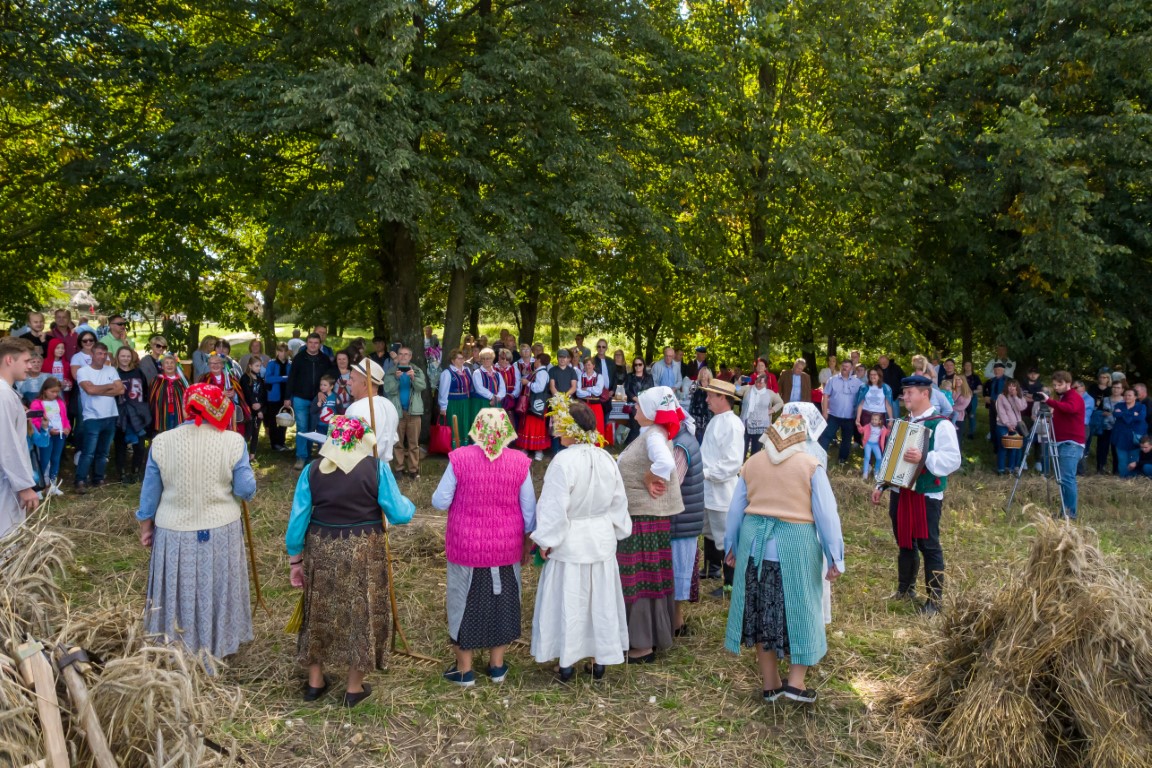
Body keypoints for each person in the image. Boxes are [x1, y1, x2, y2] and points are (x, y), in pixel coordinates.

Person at [286, 415, 415, 706]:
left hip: (322, 548)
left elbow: (297, 521)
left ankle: (315, 683)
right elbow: (400, 514)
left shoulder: (312, 471)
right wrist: (408, 503)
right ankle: (353, 688)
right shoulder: (376, 469)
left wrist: (295, 559)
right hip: (363, 549)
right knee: (362, 612)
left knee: (318, 608)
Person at [724, 411, 844, 704]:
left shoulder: (752, 464)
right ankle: (796, 682)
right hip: (797, 547)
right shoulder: (811, 465)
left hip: (755, 546)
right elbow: (827, 515)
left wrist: (731, 546)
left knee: (761, 611)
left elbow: (735, 510)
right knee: (801, 608)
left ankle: (770, 684)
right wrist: (835, 556)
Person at [136, 384, 257, 671]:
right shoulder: (233, 441)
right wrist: (247, 485)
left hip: (174, 531)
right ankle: (217, 645)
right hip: (220, 529)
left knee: (179, 589)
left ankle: (177, 647)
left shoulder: (162, 441)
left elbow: (149, 493)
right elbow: (245, 488)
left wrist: (145, 526)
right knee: (216, 586)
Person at [432, 410, 536, 687]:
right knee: (502, 602)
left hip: (467, 545)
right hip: (505, 545)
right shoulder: (519, 462)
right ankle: (497, 666)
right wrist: (528, 542)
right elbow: (529, 512)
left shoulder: (460, 458)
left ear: (476, 428)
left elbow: (440, 501)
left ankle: (464, 670)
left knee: (462, 602)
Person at [532, 400, 631, 682]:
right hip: (599, 539)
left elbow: (553, 506)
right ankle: (598, 660)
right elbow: (618, 502)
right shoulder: (606, 458)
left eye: (560, 424)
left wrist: (546, 538)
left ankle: (567, 663)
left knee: (571, 600)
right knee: (598, 600)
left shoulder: (563, 462)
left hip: (571, 540)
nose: (555, 429)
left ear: (571, 429)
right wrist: (613, 529)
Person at [870, 375, 961, 617]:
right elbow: (892, 457)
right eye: (904, 392)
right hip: (901, 492)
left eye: (910, 392)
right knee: (904, 542)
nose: (905, 397)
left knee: (929, 545)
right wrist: (881, 485)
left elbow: (953, 459)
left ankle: (934, 601)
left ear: (925, 393)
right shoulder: (902, 423)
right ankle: (905, 588)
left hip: (925, 495)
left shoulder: (941, 424)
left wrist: (924, 458)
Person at [615, 386, 685, 663]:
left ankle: (642, 644)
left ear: (652, 412)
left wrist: (648, 476)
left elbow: (666, 462)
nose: (634, 409)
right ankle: (649, 636)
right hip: (646, 518)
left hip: (643, 519)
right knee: (649, 574)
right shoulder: (652, 434)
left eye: (639, 406)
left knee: (639, 576)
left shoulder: (654, 436)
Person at [699, 378, 746, 598]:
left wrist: (706, 473)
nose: (706, 399)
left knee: (725, 535)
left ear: (722, 398)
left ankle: (731, 583)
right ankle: (712, 570)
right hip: (708, 489)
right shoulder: (716, 420)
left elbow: (732, 462)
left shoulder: (733, 424)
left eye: (710, 395)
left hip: (722, 491)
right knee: (709, 529)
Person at [669, 416, 704, 636]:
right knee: (676, 572)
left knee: (675, 573)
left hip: (681, 520)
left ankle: (674, 623)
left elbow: (671, 482)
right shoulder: (684, 438)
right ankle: (676, 621)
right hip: (685, 517)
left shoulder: (681, 444)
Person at [1032, 371, 1085, 518]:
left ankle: (1070, 514)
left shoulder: (1074, 397)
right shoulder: (1062, 397)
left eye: (1059, 384)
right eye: (1054, 385)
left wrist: (1049, 400)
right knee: (1062, 478)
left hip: (1071, 443)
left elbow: (1070, 408)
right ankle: (1065, 512)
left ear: (1068, 383)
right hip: (1061, 441)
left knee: (1067, 478)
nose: (1057, 387)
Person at [1, 337, 39, 535]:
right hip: (5, 480)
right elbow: (5, 444)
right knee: (6, 533)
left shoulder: (8, 392)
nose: (30, 366)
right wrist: (24, 486)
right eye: (25, 361)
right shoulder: (3, 394)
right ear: (9, 360)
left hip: (8, 478)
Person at [75, 342, 124, 494]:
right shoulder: (83, 371)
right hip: (92, 417)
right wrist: (109, 386)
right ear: (92, 354)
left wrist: (99, 389)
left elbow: (120, 389)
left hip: (110, 415)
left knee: (104, 452)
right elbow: (89, 390)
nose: (102, 357)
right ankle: (80, 480)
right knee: (88, 451)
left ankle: (98, 478)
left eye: (104, 354)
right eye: (99, 354)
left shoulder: (111, 369)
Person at [287, 333, 333, 469]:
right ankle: (301, 457)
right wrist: (287, 397)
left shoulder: (324, 359)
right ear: (306, 343)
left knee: (313, 428)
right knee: (302, 427)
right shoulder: (299, 358)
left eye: (316, 343)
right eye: (310, 342)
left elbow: (329, 378)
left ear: (319, 344)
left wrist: (323, 392)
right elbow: (291, 378)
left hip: (318, 399)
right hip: (300, 397)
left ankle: (310, 455)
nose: (313, 345)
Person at [382, 347, 427, 480]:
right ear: (397, 356)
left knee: (414, 443)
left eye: (406, 354)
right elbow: (388, 389)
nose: (403, 357)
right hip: (397, 412)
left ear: (410, 357)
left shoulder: (417, 371)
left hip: (414, 412)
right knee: (398, 443)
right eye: (400, 354)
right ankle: (399, 469)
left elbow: (422, 387)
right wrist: (396, 379)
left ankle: (413, 470)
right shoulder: (391, 372)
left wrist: (413, 378)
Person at [346, 357, 400, 465]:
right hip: (384, 470)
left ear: (365, 384)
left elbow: (346, 446)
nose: (348, 382)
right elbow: (394, 439)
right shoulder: (390, 405)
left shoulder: (355, 408)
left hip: (361, 470)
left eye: (352, 379)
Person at [113, 347, 152, 484]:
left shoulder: (138, 372)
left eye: (128, 356)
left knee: (140, 446)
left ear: (132, 357)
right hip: (121, 413)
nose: (125, 359)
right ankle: (122, 473)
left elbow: (145, 391)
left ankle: (136, 472)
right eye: (122, 356)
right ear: (118, 357)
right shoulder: (114, 373)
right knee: (120, 446)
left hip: (138, 413)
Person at [30, 377, 69, 496]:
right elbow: (35, 421)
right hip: (46, 436)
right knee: (44, 460)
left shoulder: (60, 402)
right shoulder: (37, 403)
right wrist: (47, 429)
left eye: (57, 391)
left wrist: (67, 427)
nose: (55, 394)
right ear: (45, 390)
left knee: (56, 459)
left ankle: (52, 485)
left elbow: (64, 417)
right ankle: (39, 486)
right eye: (52, 391)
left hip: (60, 435)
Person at [820, 361, 863, 465]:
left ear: (851, 368)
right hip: (833, 415)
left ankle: (842, 460)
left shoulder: (858, 382)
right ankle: (820, 457)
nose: (844, 368)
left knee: (847, 439)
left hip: (849, 417)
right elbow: (825, 396)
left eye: (847, 366)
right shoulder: (832, 380)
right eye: (843, 366)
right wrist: (824, 412)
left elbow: (863, 398)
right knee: (826, 436)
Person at [200, 352, 252, 438]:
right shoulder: (205, 379)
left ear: (223, 365)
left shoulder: (231, 378)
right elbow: (202, 396)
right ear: (209, 365)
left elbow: (240, 395)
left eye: (218, 362)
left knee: (231, 437)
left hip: (230, 415)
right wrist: (220, 394)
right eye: (212, 363)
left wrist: (234, 394)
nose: (215, 365)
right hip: (212, 415)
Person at [438, 350, 475, 449]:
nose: (462, 360)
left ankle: (465, 445)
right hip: (453, 403)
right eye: (459, 358)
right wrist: (443, 407)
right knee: (454, 423)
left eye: (462, 358)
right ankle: (453, 446)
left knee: (464, 422)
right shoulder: (447, 373)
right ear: (453, 360)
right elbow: (443, 391)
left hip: (466, 402)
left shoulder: (467, 370)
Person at [741, 373, 783, 457]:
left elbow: (780, 403)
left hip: (761, 426)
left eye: (761, 383)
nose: (758, 384)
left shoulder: (770, 393)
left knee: (756, 452)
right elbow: (735, 389)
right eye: (757, 381)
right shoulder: (748, 388)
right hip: (746, 424)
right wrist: (738, 382)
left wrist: (772, 410)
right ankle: (741, 468)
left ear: (766, 384)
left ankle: (753, 468)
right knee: (742, 449)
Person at [994, 379, 1028, 475]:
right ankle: (1001, 469)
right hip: (1003, 425)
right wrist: (1008, 424)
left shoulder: (1020, 396)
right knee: (1003, 446)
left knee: (1015, 447)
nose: (1011, 388)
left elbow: (1022, 407)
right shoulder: (1001, 397)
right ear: (1006, 387)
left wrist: (1016, 397)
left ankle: (1011, 468)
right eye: (1010, 386)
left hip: (1016, 426)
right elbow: (1001, 412)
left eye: (1014, 386)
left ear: (1017, 387)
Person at [1112, 389, 1147, 478]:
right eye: (1125, 395)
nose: (1127, 397)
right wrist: (1133, 415)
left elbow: (1141, 417)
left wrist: (1123, 414)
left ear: (1135, 397)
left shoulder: (1142, 407)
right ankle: (1123, 479)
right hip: (1120, 437)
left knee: (1134, 460)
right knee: (1122, 460)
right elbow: (1115, 414)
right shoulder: (1118, 405)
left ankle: (1132, 479)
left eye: (1129, 395)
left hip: (1135, 438)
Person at [548, 350, 579, 452]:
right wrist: (559, 398)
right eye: (560, 357)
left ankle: (566, 449)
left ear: (568, 359)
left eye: (564, 357)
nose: (562, 359)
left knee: (568, 425)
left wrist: (564, 397)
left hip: (568, 400)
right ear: (557, 358)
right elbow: (552, 386)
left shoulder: (572, 371)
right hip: (556, 401)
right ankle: (556, 450)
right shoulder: (552, 370)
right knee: (556, 426)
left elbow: (574, 387)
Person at [148, 354, 188, 434]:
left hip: (179, 413)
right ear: (162, 366)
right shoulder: (156, 380)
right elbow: (152, 399)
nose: (169, 365)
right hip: (162, 414)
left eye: (172, 363)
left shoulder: (182, 380)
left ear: (176, 365)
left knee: (178, 433)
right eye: (166, 363)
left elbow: (187, 396)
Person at [263, 343, 292, 451]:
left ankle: (281, 442)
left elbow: (292, 379)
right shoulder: (272, 363)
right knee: (273, 421)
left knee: (284, 421)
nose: (283, 353)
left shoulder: (290, 364)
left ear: (288, 352)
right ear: (277, 352)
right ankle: (274, 444)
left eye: (285, 351)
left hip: (286, 397)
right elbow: (268, 379)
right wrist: (284, 378)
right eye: (280, 351)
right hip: (274, 397)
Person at [239, 356, 267, 460]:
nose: (259, 368)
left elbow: (263, 395)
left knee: (256, 431)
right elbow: (247, 393)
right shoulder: (245, 378)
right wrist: (255, 406)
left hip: (258, 410)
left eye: (260, 366)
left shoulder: (260, 379)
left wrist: (260, 407)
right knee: (248, 432)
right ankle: (242, 453)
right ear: (250, 366)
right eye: (257, 366)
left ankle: (252, 454)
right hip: (248, 409)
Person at [622, 356, 654, 447]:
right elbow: (627, 390)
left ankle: (643, 445)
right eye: (635, 365)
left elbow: (652, 390)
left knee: (645, 426)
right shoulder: (629, 376)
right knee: (635, 427)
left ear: (643, 365)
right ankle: (629, 445)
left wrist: (643, 401)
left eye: (640, 364)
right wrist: (636, 399)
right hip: (633, 405)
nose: (638, 367)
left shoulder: (649, 377)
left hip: (646, 405)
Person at [576, 357, 607, 440]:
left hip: (596, 405)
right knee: (583, 424)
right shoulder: (580, 376)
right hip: (583, 405)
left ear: (593, 365)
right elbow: (578, 392)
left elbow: (598, 391)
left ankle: (597, 445)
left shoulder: (599, 376)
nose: (587, 367)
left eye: (589, 365)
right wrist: (592, 390)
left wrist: (586, 389)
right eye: (585, 365)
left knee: (597, 424)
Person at [861, 412, 889, 480]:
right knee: (867, 457)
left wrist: (890, 427)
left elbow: (887, 433)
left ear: (879, 421)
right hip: (868, 443)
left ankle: (876, 471)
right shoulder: (868, 426)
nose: (873, 421)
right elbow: (861, 430)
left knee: (879, 458)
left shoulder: (882, 428)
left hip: (875, 444)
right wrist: (859, 426)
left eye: (875, 419)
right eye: (872, 419)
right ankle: (865, 472)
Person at [688, 367, 715, 438]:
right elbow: (690, 393)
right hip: (696, 413)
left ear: (709, 375)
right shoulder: (696, 383)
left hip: (708, 414)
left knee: (706, 435)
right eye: (702, 373)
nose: (703, 375)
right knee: (696, 435)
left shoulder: (711, 385)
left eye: (705, 373)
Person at [961, 361, 982, 439]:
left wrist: (972, 391)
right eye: (966, 365)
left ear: (972, 367)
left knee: (971, 415)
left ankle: (971, 433)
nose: (967, 367)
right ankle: (961, 431)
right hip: (961, 398)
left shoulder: (975, 377)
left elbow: (980, 389)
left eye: (969, 365)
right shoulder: (960, 376)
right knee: (961, 415)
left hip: (972, 398)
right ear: (964, 367)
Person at [333, 350, 354, 415]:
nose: (342, 361)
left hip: (350, 406)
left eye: (344, 359)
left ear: (348, 360)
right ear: (336, 360)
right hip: (334, 406)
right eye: (339, 359)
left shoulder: (353, 372)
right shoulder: (331, 372)